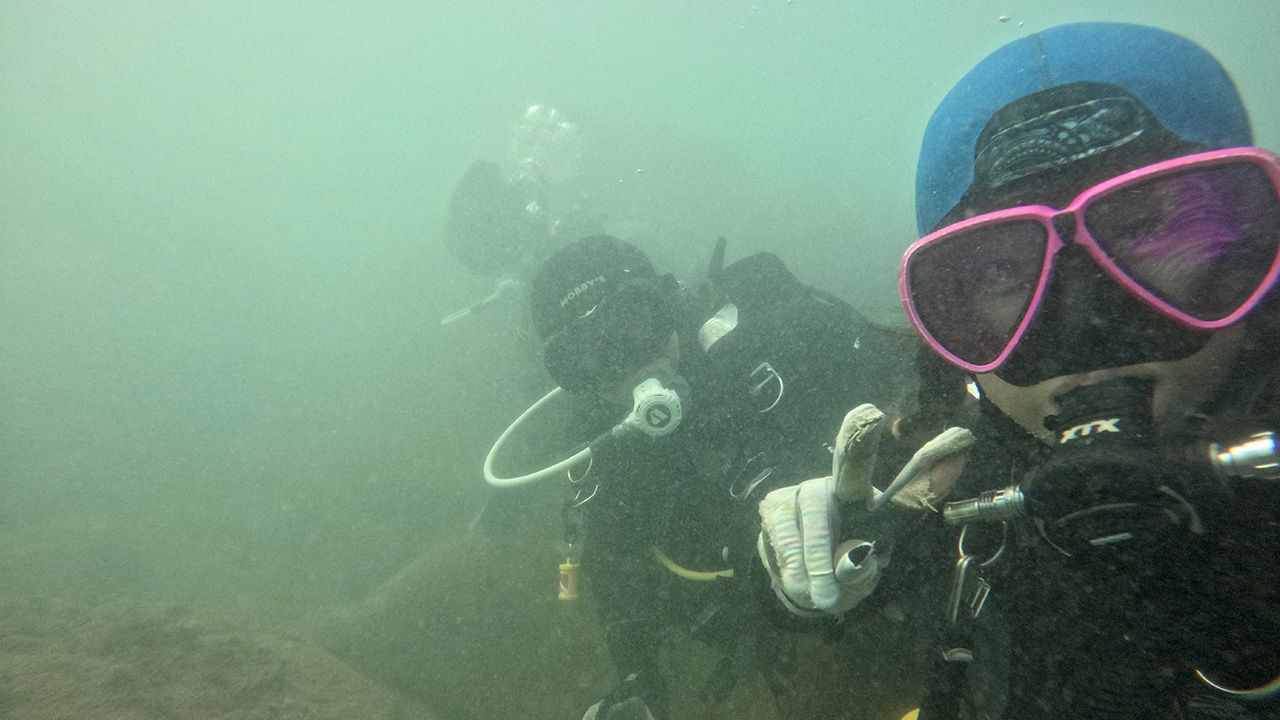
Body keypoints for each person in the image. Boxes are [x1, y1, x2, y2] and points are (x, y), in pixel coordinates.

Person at [758, 22, 1280, 719]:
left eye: (1143, 223)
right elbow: (858, 662)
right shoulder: (948, 486)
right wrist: (808, 580)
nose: (1086, 327)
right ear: (950, 314)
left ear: (1252, 235)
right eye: (1004, 268)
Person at [524, 234, 911, 719]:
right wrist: (639, 680)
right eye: (590, 357)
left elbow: (912, 411)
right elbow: (617, 572)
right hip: (769, 635)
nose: (629, 363)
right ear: (573, 379)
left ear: (665, 300)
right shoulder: (607, 451)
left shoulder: (780, 335)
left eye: (634, 322)